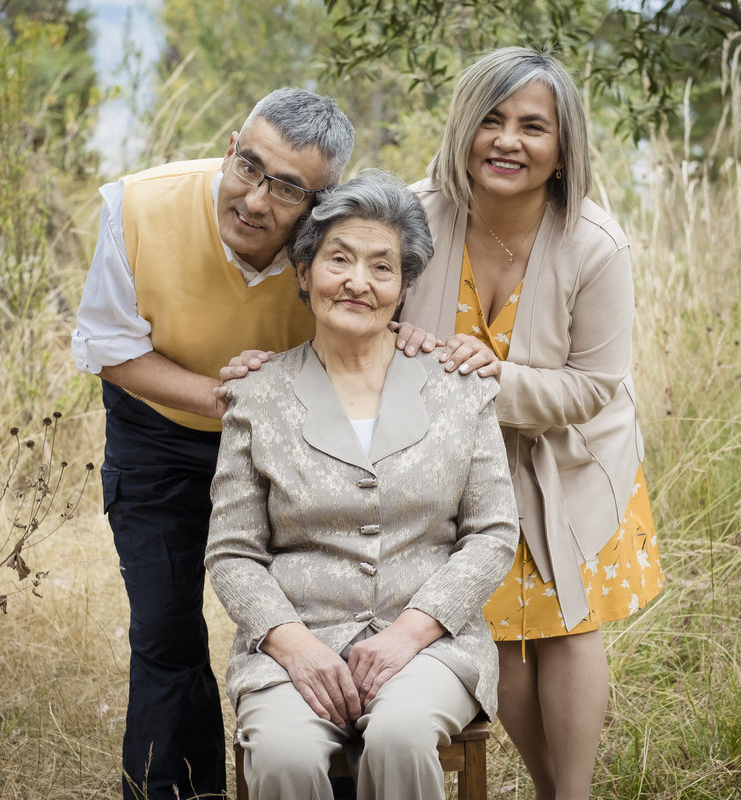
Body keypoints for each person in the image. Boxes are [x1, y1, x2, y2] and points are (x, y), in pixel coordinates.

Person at [72, 89, 443, 800]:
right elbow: (109, 348)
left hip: (295, 443)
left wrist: (425, 344)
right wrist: (226, 396)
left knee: (320, 613)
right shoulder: (137, 205)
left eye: (287, 189)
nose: (254, 199)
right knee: (165, 629)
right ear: (230, 145)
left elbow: (385, 327)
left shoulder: (337, 248)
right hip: (160, 436)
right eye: (247, 166)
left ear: (319, 202)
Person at [397, 48, 666, 800]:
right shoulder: (412, 218)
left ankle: (571, 793)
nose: (507, 141)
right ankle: (552, 790)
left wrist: (491, 380)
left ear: (563, 148)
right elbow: (366, 313)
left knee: (567, 625)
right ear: (464, 128)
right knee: (501, 638)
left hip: (568, 459)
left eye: (532, 126)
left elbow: (594, 386)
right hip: (459, 466)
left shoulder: (596, 244)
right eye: (491, 119)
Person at [204, 171, 519, 800]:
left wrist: (411, 631)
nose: (358, 282)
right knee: (283, 755)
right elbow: (233, 552)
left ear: (402, 287)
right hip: (294, 643)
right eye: (339, 259)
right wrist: (294, 645)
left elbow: (492, 534)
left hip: (430, 644)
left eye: (382, 267)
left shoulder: (460, 387)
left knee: (400, 736)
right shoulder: (256, 395)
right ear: (303, 272)